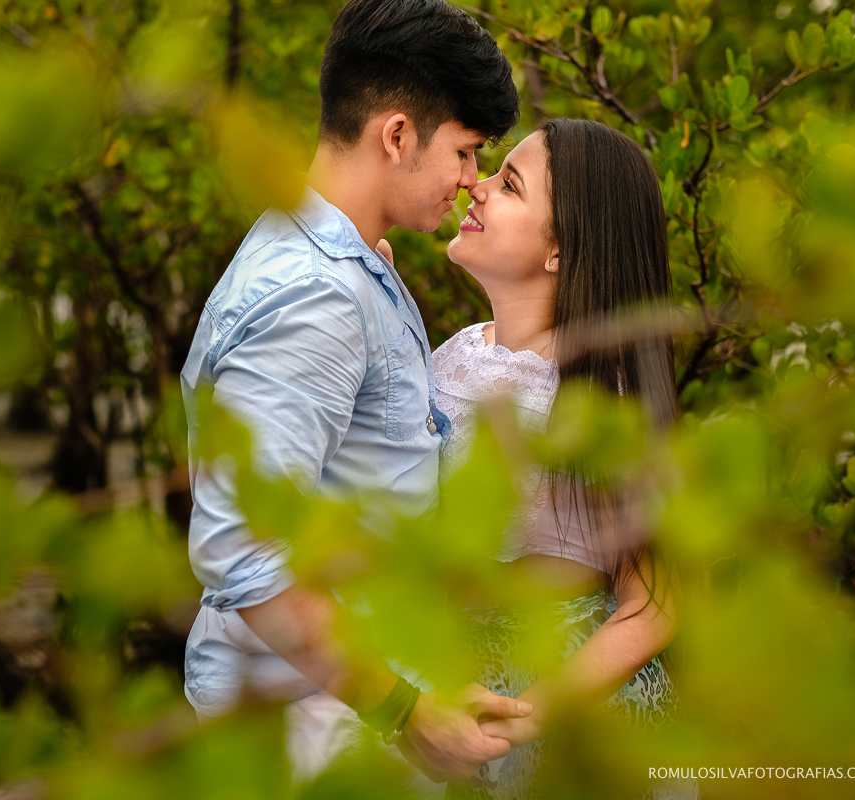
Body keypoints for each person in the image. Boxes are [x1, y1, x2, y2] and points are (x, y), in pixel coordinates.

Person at [179, 0, 530, 785]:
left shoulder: (346, 260)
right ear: (398, 135)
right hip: (308, 728)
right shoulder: (317, 296)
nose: (472, 183)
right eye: (467, 153)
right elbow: (242, 548)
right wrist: (402, 711)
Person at [430, 118, 699, 799]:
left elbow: (655, 604)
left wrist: (532, 716)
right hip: (452, 695)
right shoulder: (454, 353)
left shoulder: (601, 398)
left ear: (560, 250)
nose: (477, 187)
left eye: (509, 184)